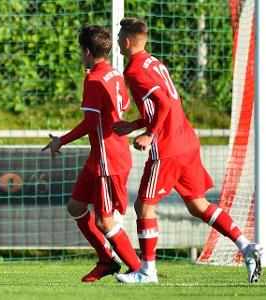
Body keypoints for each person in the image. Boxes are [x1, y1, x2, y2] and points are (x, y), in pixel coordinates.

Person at [113, 17, 263, 284]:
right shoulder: (154, 62)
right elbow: (164, 104)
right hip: (186, 141)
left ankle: (147, 272)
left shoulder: (134, 70)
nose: (117, 41)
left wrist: (149, 133)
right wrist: (134, 124)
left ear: (126, 41)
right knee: (198, 205)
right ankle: (246, 246)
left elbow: (163, 104)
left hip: (168, 147)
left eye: (119, 36)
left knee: (143, 206)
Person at [43, 24, 141, 282]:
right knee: (76, 207)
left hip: (109, 159)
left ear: (86, 51)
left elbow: (89, 123)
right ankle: (106, 261)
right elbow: (125, 106)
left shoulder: (94, 79)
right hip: (100, 156)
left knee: (105, 222)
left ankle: (140, 270)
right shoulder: (114, 74)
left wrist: (60, 141)